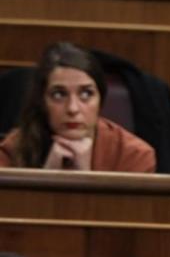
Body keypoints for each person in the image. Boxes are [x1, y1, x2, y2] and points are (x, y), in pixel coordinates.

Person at [0, 42, 156, 172]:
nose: (73, 109)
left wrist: (86, 180)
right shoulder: (13, 149)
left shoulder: (133, 155)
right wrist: (46, 177)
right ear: (42, 102)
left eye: (86, 94)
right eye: (59, 95)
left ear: (100, 100)